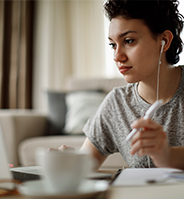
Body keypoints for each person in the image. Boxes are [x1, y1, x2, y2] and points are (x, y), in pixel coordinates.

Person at [52, 0, 184, 169]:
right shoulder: (117, 103)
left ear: (164, 40)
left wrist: (168, 156)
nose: (117, 56)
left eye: (128, 41)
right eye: (113, 45)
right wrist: (69, 163)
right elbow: (85, 165)